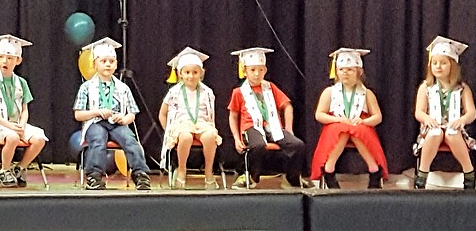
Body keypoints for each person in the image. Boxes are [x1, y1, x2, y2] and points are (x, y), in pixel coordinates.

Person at [72, 37, 154, 191]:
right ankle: (94, 176)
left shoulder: (123, 88)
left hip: (117, 123)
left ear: (116, 64)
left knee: (130, 140)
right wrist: (96, 112)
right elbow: (78, 115)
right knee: (98, 139)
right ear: (94, 64)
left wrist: (124, 119)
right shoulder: (87, 87)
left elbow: (132, 113)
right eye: (103, 61)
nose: (108, 64)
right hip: (95, 122)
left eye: (111, 61)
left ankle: (141, 174)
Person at [227, 47, 313, 189]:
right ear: (245, 71)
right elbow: (233, 115)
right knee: (258, 145)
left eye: (260, 70)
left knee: (297, 145)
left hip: (273, 126)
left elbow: (287, 106)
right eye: (253, 70)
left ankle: (291, 177)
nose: (257, 74)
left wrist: (289, 129)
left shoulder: (270, 87)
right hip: (252, 127)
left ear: (265, 70)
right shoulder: (239, 92)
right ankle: (250, 177)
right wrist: (236, 138)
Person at [0, 34, 48, 188]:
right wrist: (9, 126)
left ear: (18, 61)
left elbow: (24, 109)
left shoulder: (21, 83)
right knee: (13, 137)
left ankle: (20, 168)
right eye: (1, 57)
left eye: (10, 58)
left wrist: (21, 124)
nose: (5, 61)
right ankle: (4, 170)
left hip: (16, 124)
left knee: (39, 138)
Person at [311, 48, 388, 189]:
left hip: (360, 125)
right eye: (341, 69)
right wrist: (338, 120)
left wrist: (364, 121)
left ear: (359, 72)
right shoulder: (329, 92)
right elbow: (319, 115)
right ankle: (329, 169)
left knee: (356, 129)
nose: (345, 73)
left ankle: (374, 170)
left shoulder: (367, 93)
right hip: (336, 125)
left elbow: (377, 117)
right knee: (343, 129)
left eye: (350, 70)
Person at [413, 36, 476, 190]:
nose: (438, 67)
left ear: (453, 66)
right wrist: (426, 118)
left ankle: (469, 172)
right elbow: (419, 112)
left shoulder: (462, 88)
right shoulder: (425, 87)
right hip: (431, 129)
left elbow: (472, 113)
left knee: (451, 133)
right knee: (435, 133)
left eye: (443, 63)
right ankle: (422, 173)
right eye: (434, 63)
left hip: (454, 129)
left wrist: (462, 120)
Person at [158, 47, 222, 189]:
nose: (191, 76)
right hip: (182, 124)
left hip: (201, 123)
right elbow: (163, 114)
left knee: (210, 136)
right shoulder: (174, 92)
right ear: (180, 74)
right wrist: (168, 130)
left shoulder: (207, 92)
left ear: (201, 73)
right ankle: (181, 169)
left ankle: (209, 172)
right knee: (185, 137)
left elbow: (211, 115)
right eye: (187, 72)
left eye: (195, 72)